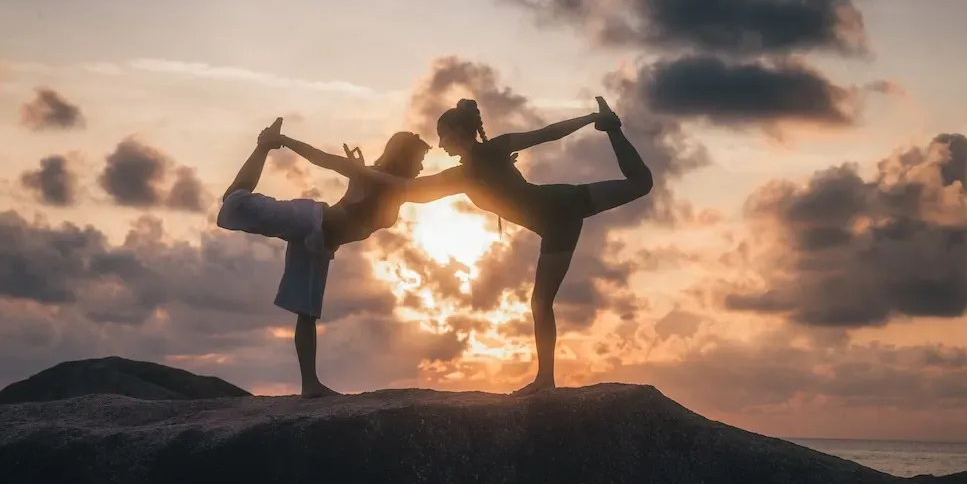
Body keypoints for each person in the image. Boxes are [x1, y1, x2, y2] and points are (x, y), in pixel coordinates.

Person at [400, 96, 654, 396]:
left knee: (540, 303)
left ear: (456, 131)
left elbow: (547, 133)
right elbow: (416, 192)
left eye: (442, 136)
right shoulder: (477, 164)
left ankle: (545, 379)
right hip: (561, 215)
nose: (441, 144)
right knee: (541, 302)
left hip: (560, 207)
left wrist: (589, 119)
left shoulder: (479, 161)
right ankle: (545, 378)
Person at [217, 118, 431, 398]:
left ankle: (310, 385)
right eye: (420, 159)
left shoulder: (395, 186)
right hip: (310, 221)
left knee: (307, 312)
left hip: (319, 245)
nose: (422, 166)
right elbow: (323, 160)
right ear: (405, 157)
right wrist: (284, 141)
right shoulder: (369, 174)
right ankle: (264, 145)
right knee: (235, 203)